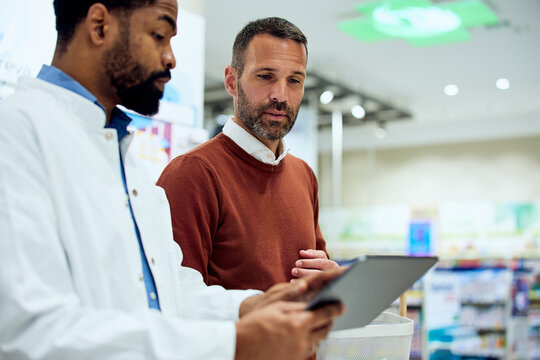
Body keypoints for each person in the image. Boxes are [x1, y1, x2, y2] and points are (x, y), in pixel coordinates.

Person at [0, 1, 345, 359]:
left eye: (294, 81)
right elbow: (26, 331)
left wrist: (253, 306)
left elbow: (170, 293)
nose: (171, 59)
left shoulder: (126, 162)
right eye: (159, 35)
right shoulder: (17, 134)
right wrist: (235, 342)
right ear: (100, 26)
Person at [157, 17, 339, 292]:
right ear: (231, 81)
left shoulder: (304, 175)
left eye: (294, 80)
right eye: (266, 76)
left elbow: (319, 272)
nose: (281, 95)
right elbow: (174, 297)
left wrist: (331, 280)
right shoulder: (192, 173)